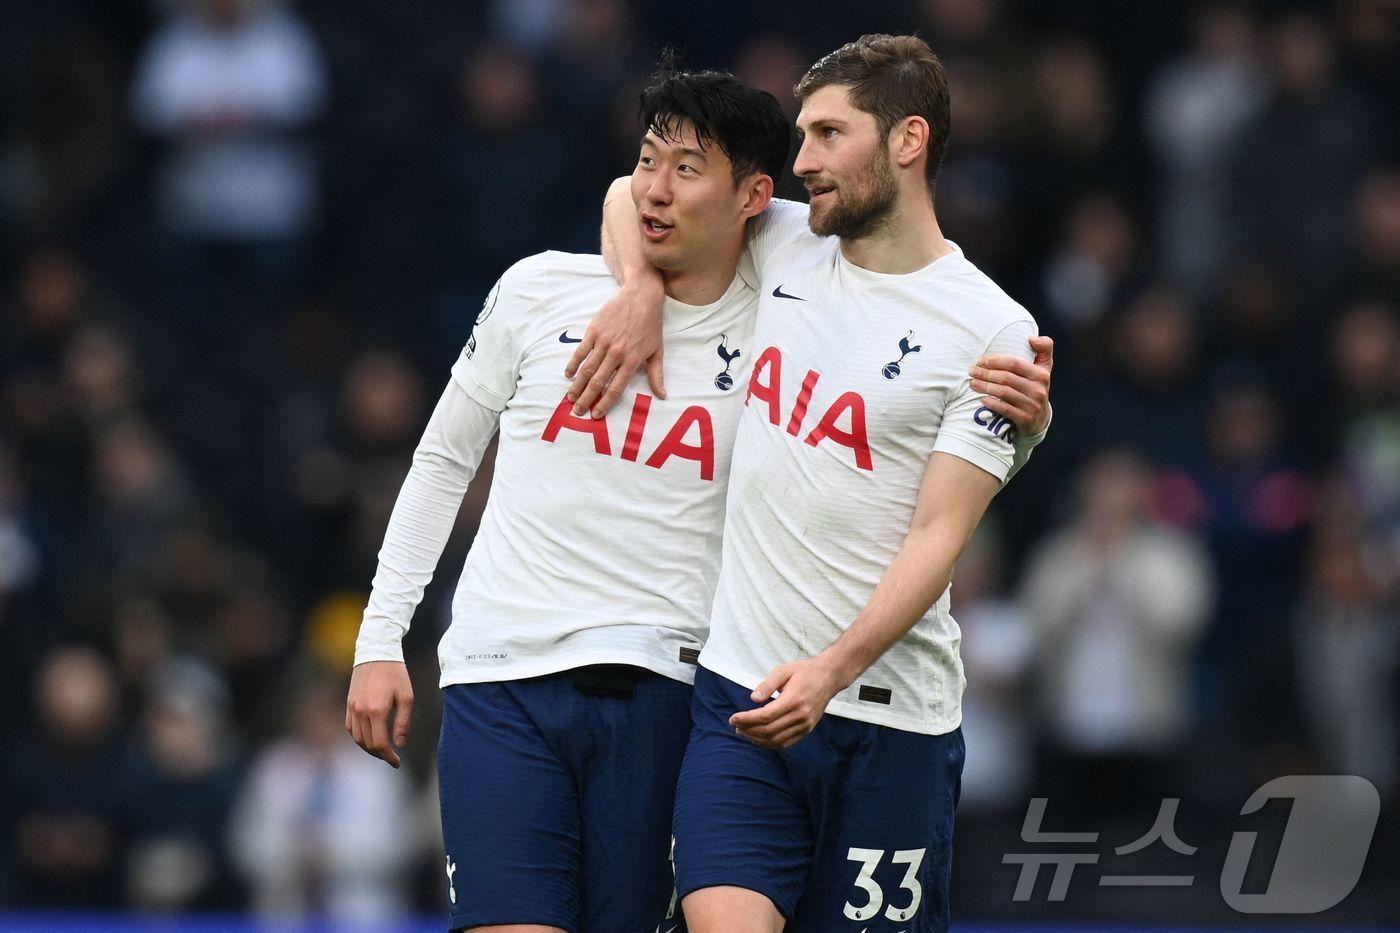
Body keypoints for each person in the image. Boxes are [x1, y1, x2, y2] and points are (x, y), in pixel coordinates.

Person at [581, 34, 1053, 933]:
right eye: (801, 136)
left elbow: (937, 539)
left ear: (907, 140)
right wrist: (640, 286)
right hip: (744, 699)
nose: (802, 162)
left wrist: (831, 673)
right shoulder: (786, 244)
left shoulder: (992, 332)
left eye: (829, 134)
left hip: (889, 723)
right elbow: (626, 194)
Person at [346, 68, 796, 933]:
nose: (655, 188)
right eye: (646, 159)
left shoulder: (785, 323)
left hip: (669, 686)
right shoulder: (537, 288)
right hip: (498, 676)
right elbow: (443, 460)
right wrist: (380, 639)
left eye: (688, 168)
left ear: (755, 197)